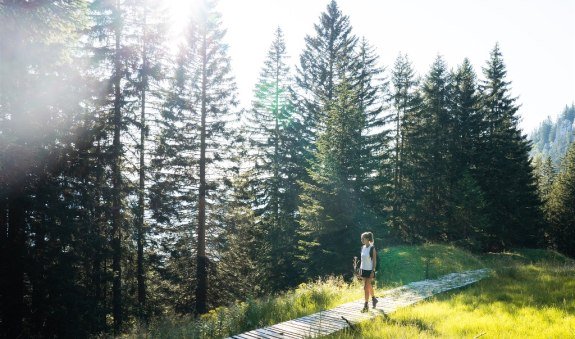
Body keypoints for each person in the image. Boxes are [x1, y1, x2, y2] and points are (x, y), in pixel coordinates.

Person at [359, 232, 377, 312]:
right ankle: (374, 299)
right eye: (361, 238)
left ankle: (366, 305)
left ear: (367, 239)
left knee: (365, 287)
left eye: (363, 238)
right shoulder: (362, 247)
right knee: (368, 286)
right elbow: (362, 260)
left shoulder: (372, 248)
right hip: (363, 270)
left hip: (370, 270)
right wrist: (360, 270)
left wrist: (373, 271)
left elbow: (374, 261)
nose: (362, 240)